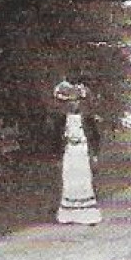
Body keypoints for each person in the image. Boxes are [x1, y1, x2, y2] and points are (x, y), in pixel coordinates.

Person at [52, 79, 101, 225]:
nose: (74, 104)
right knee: (69, 179)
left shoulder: (87, 118)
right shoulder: (62, 119)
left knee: (84, 179)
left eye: (76, 101)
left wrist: (95, 155)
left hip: (82, 150)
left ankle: (87, 214)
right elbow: (56, 138)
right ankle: (68, 213)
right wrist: (57, 155)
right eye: (71, 102)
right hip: (69, 151)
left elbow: (95, 137)